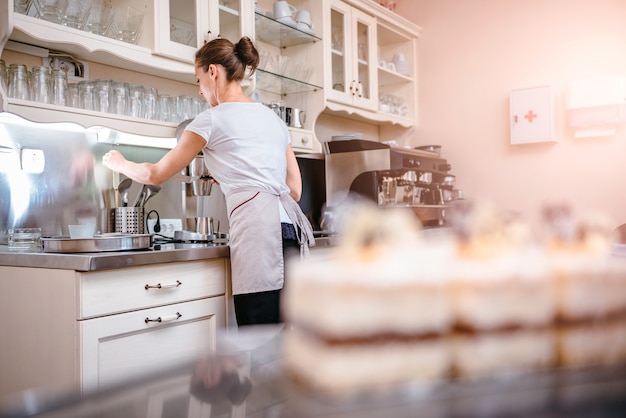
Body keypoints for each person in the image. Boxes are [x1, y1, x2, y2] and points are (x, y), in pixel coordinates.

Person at [102, 36, 314, 326]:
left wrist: (120, 163)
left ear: (213, 72)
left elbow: (155, 174)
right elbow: (294, 190)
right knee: (288, 337)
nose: (201, 91)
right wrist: (234, 178)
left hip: (258, 234)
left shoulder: (210, 119)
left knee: (260, 337)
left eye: (198, 80)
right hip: (290, 230)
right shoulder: (273, 120)